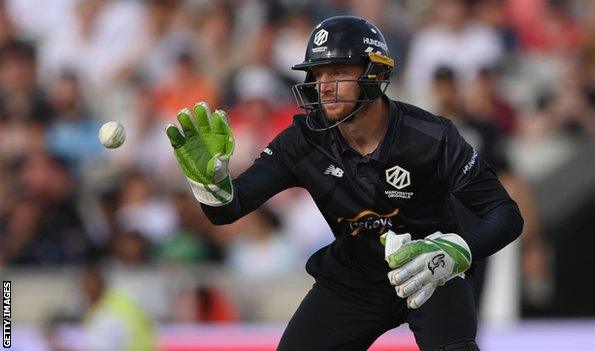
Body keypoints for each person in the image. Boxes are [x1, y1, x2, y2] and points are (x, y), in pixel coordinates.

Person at [166, 16, 523, 351]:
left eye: (337, 72)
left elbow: (506, 214)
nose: (324, 87)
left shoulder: (431, 137)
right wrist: (210, 185)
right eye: (318, 75)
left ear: (373, 73)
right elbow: (229, 210)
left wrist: (455, 252)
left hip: (431, 268)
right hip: (354, 277)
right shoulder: (302, 141)